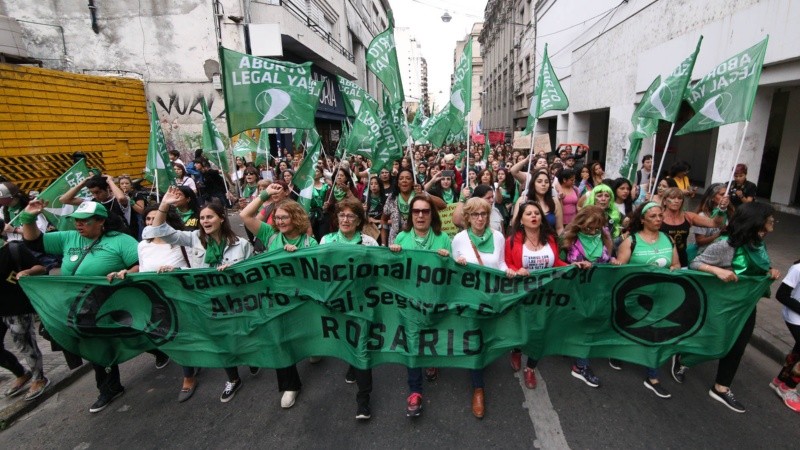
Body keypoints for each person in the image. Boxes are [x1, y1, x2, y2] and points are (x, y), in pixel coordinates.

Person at [21, 201, 169, 413]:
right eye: (76, 221)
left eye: (85, 221)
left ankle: (152, 350)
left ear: (101, 221)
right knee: (98, 344)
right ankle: (110, 387)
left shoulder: (121, 241)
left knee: (127, 333)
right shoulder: (68, 237)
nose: (79, 225)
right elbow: (34, 242)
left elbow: (142, 264)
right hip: (78, 307)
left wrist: (126, 272)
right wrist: (28, 218)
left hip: (111, 303)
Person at [145, 187, 253, 403]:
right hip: (206, 302)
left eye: (209, 216)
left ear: (221, 219)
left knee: (241, 336)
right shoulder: (194, 238)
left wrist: (233, 272)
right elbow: (155, 232)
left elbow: (252, 276)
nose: (204, 221)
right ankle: (233, 379)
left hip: (235, 302)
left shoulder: (242, 245)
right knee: (219, 340)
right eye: (202, 217)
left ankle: (251, 357)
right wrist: (164, 204)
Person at [689, 202, 781, 413]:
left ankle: (721, 387)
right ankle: (683, 358)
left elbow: (759, 267)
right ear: (757, 221)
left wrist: (771, 271)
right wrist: (716, 270)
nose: (773, 221)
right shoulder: (726, 246)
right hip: (722, 306)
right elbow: (695, 263)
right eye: (769, 218)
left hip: (747, 306)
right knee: (709, 338)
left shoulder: (758, 243)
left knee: (738, 346)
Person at [240, 185, 317, 409]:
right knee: (279, 341)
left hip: (301, 300)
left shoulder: (308, 243)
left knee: (303, 334)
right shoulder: (269, 236)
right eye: (278, 217)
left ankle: (313, 348)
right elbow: (245, 215)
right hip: (274, 300)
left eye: (285, 217)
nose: (280, 222)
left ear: (296, 218)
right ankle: (290, 385)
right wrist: (265, 195)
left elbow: (314, 274)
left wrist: (299, 257)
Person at [388, 195, 451, 418]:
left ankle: (432, 362)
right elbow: (392, 274)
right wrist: (393, 256)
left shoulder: (443, 238)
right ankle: (415, 391)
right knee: (412, 344)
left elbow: (451, 274)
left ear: (432, 214)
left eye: (425, 211)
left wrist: (447, 258)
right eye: (416, 211)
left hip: (435, 302)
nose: (421, 215)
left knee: (432, 337)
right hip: (409, 304)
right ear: (410, 214)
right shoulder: (402, 238)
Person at [451, 197, 515, 418]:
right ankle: (478, 388)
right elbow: (450, 274)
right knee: (475, 342)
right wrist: (457, 264)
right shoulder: (459, 239)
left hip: (492, 298)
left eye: (484, 214)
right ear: (467, 217)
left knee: (488, 337)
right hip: (470, 300)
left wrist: (508, 271)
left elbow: (501, 263)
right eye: (475, 214)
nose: (480, 218)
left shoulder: (498, 237)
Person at [319, 198, 378, 420]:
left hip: (362, 304)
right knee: (346, 340)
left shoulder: (369, 243)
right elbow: (317, 267)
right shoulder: (326, 240)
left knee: (361, 347)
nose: (345, 220)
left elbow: (380, 270)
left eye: (351, 216)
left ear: (358, 220)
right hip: (337, 303)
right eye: (342, 215)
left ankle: (363, 400)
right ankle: (352, 365)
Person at [614, 202, 680, 399]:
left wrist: (673, 270)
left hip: (661, 298)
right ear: (642, 219)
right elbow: (619, 270)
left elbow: (676, 264)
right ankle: (617, 352)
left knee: (656, 334)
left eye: (660, 215)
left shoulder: (668, 240)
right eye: (653, 216)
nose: (659, 219)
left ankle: (652, 377)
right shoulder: (631, 241)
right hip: (633, 298)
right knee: (626, 328)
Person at [504, 201, 570, 390]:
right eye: (529, 214)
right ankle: (516, 350)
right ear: (521, 220)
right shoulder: (512, 240)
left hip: (546, 295)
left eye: (537, 213)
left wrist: (574, 266)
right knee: (522, 329)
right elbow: (507, 265)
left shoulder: (549, 238)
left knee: (541, 332)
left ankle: (531, 367)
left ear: (541, 218)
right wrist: (517, 270)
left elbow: (556, 261)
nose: (533, 216)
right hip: (522, 295)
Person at [136, 205, 195, 402]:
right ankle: (190, 368)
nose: (151, 223)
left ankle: (189, 375)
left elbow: (194, 268)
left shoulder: (180, 241)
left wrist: (175, 270)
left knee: (185, 334)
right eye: (148, 219)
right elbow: (143, 270)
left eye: (156, 219)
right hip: (157, 299)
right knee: (172, 336)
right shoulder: (143, 245)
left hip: (181, 296)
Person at [0, 239, 49, 401]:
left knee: (25, 344)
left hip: (16, 308)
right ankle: (21, 374)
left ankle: (39, 378)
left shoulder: (13, 249)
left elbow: (41, 268)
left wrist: (27, 272)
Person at [660, 188, 722, 268]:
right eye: (672, 198)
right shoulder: (658, 217)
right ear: (665, 201)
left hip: (682, 261)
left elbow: (714, 223)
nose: (676, 201)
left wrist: (722, 209)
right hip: (663, 261)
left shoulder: (688, 216)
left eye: (679, 198)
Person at [60, 174, 133, 237]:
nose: (95, 195)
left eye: (98, 192)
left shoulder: (119, 199)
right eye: (92, 193)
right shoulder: (92, 201)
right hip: (105, 240)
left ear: (107, 188)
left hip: (123, 236)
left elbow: (121, 198)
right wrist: (82, 184)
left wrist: (110, 181)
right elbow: (64, 200)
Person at [771, 257, 800, 412]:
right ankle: (788, 388)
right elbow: (781, 295)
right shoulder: (798, 269)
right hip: (795, 317)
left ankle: (781, 380)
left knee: (798, 348)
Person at [512, 170, 564, 235]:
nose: (543, 184)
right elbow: (514, 224)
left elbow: (559, 228)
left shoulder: (554, 202)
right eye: (539, 181)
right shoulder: (523, 200)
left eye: (546, 182)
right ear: (533, 184)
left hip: (550, 242)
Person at [692, 184, 734, 257]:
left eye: (727, 194)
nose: (726, 197)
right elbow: (699, 241)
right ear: (712, 197)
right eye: (722, 194)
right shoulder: (702, 216)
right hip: (706, 253)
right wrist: (719, 234)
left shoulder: (730, 213)